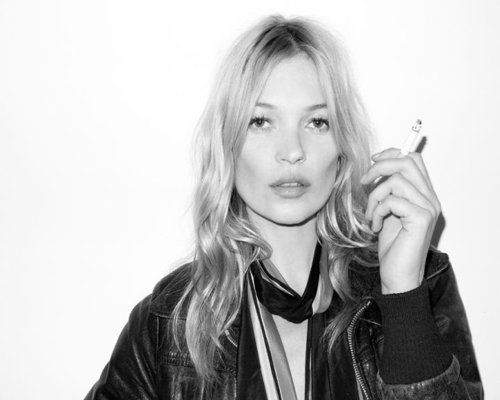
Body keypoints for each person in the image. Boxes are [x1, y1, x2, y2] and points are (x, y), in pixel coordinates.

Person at [84, 15, 482, 400]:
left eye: (317, 122)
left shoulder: (422, 281)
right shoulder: (168, 322)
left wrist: (402, 294)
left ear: (343, 147)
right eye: (261, 121)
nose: (292, 151)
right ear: (227, 145)